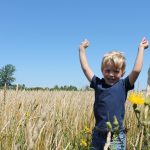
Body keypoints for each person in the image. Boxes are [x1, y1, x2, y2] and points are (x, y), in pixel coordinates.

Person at [79, 38, 149, 150]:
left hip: (117, 135)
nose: (111, 74)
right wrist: (82, 50)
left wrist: (141, 49)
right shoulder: (98, 83)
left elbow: (136, 70)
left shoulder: (124, 85)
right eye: (108, 70)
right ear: (102, 70)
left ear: (122, 73)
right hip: (98, 134)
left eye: (116, 71)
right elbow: (85, 68)